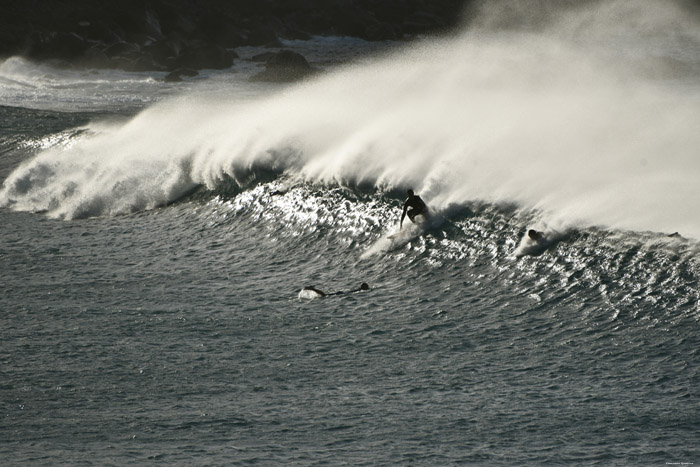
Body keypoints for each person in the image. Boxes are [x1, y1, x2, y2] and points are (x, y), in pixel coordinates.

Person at [302, 283, 369, 297]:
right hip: (341, 294)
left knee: (325, 295)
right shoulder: (359, 290)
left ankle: (312, 289)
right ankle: (312, 289)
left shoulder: (359, 289)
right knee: (324, 295)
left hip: (342, 293)